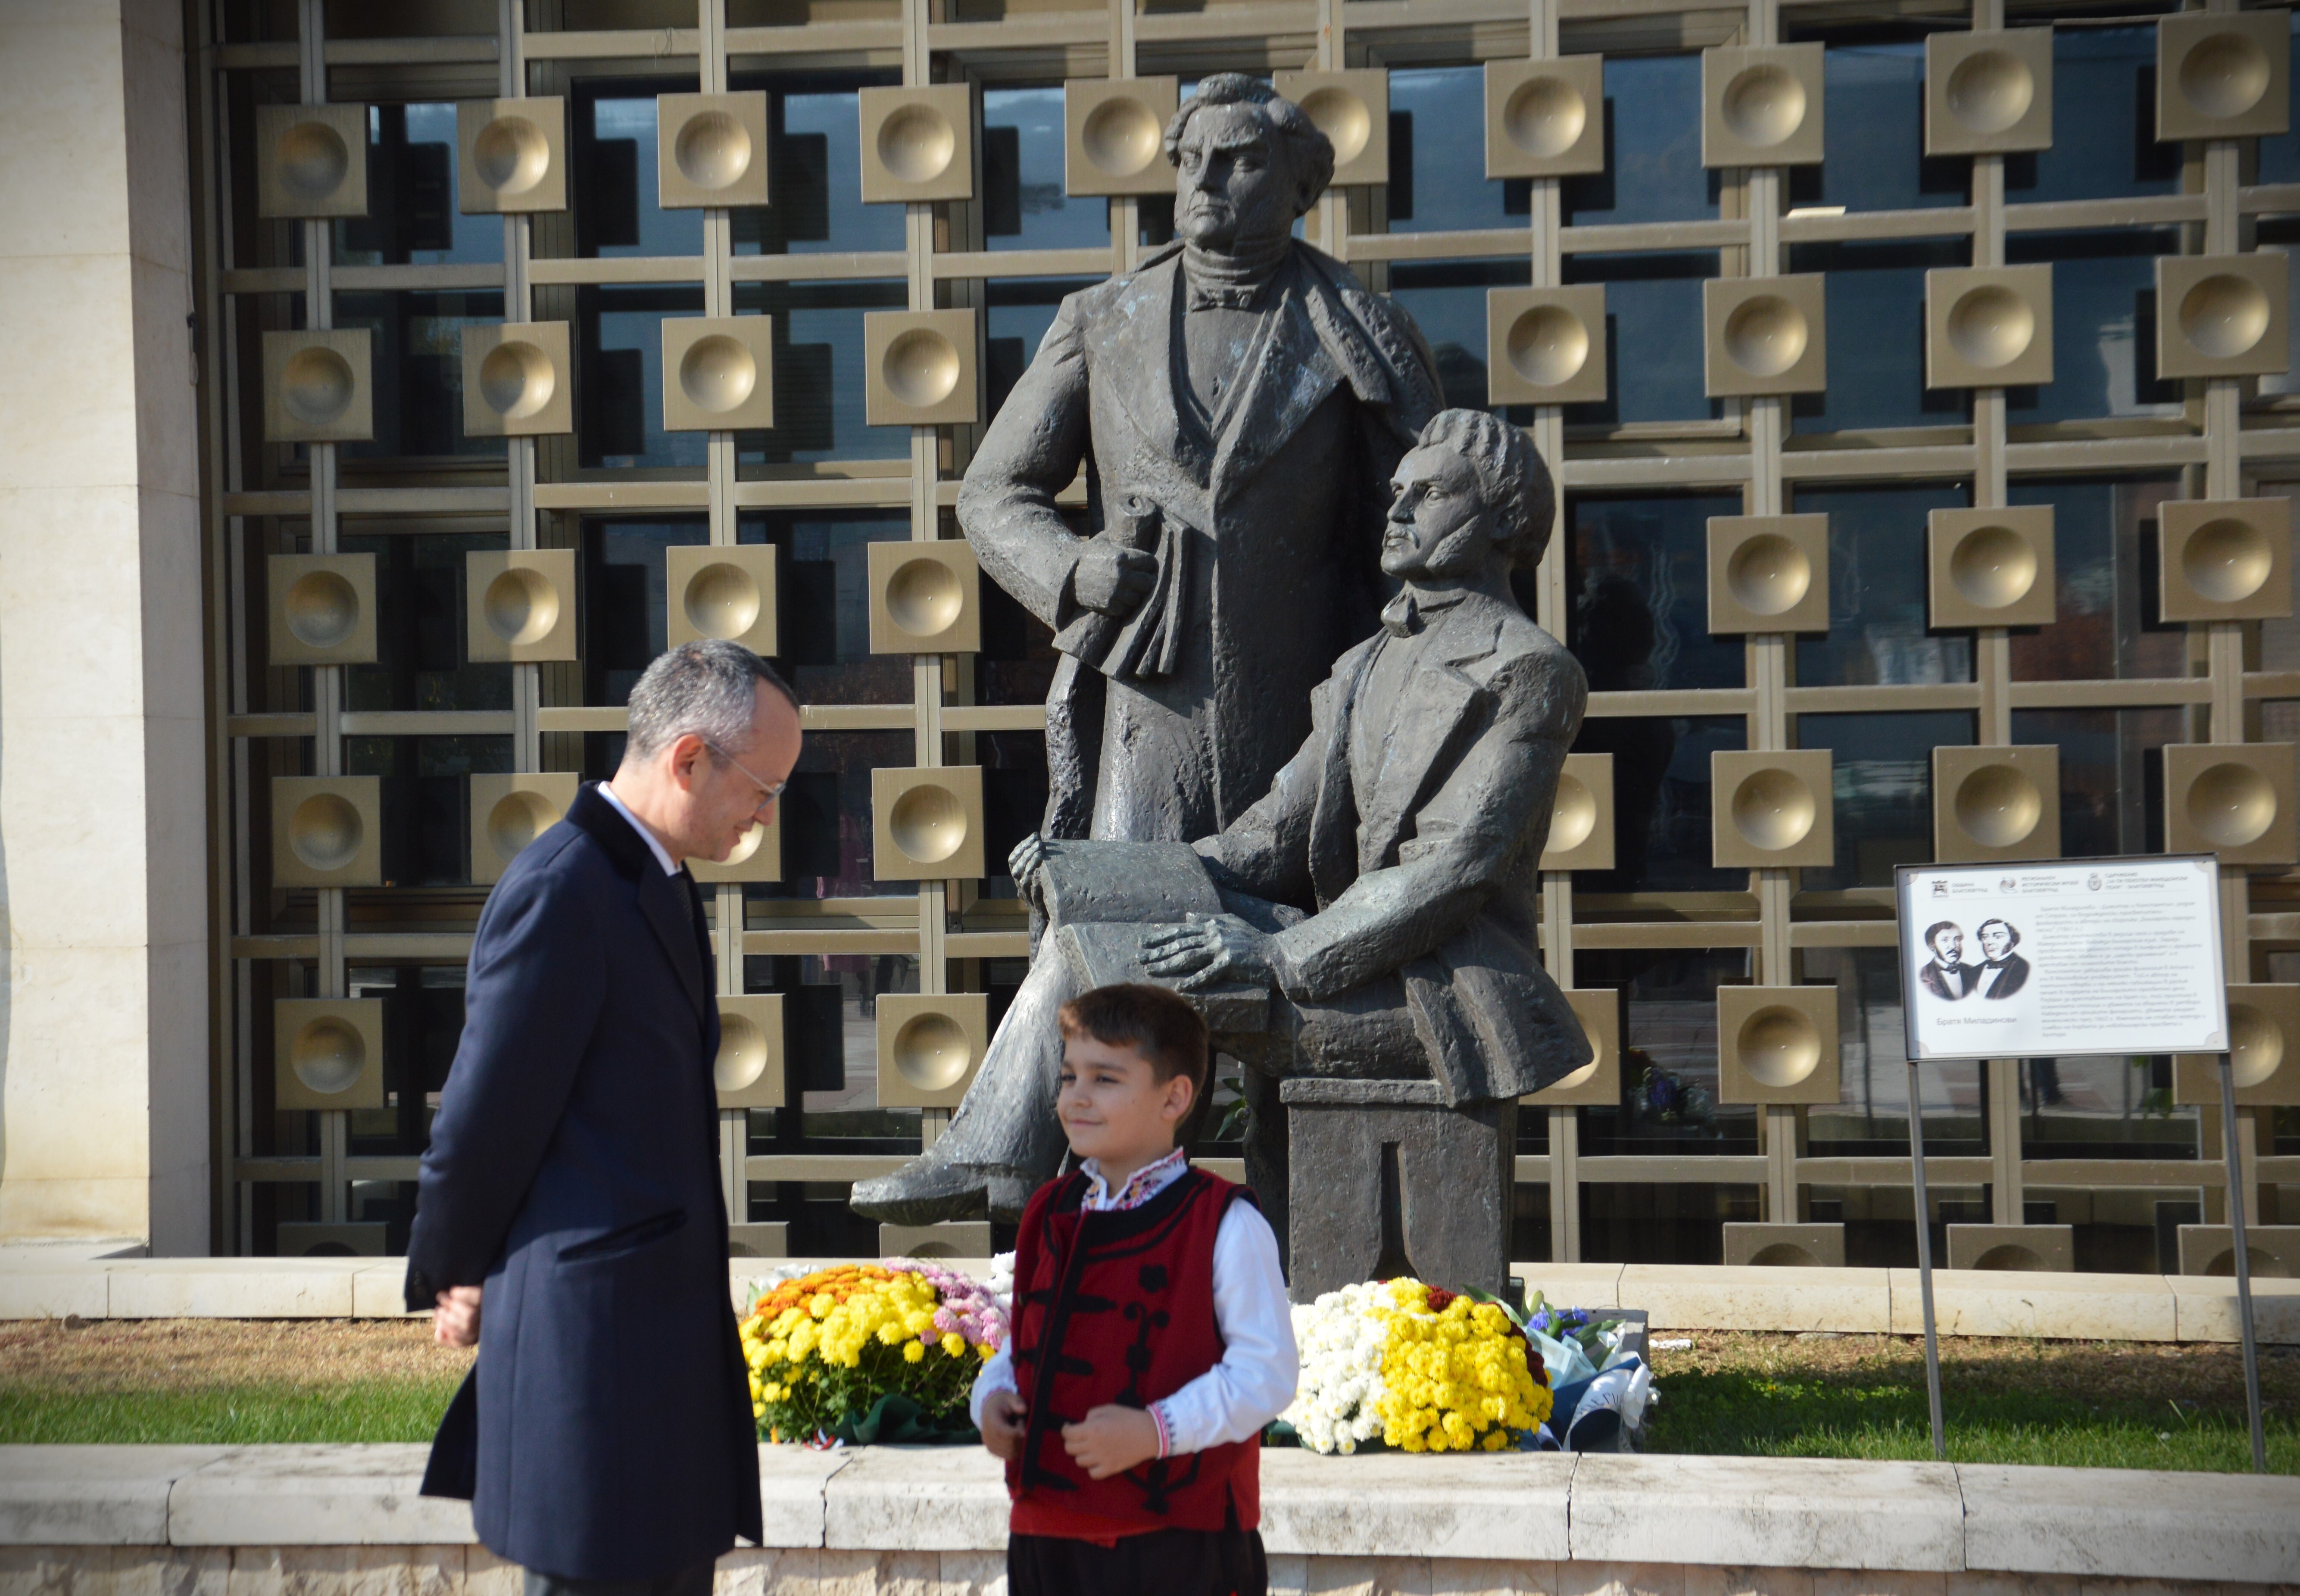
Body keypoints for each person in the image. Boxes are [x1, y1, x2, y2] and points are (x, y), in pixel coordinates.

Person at [855, 72, 1444, 1226]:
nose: (1205, 183)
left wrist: (1417, 700)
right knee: (1105, 938)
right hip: (1152, 712)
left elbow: (1434, 519)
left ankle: (1302, 1262)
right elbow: (994, 492)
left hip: (1313, 721)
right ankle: (1025, 1187)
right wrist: (1074, 571)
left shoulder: (1363, 330)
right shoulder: (1102, 321)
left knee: (1297, 985)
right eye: (1190, 161)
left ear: (1299, 181)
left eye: (1237, 161)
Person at [403, 640, 803, 1593]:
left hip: (651, 1355)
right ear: (688, 757)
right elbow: (486, 1114)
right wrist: (454, 1269)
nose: (766, 813)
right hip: (597, 1358)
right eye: (763, 786)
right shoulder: (566, 887)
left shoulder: (655, 878)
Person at [974, 983, 1296, 1596]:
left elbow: (1267, 1373)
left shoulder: (1225, 1221)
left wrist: (1157, 1430)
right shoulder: (1048, 1210)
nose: (1077, 1097)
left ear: (1175, 1096)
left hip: (1178, 1540)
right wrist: (990, 1400)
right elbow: (1023, 1341)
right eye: (1069, 1077)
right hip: (1045, 1532)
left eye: (1106, 1079)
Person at [1919, 921, 1978, 1001]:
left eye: (1957, 939)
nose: (1953, 946)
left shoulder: (1974, 971)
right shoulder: (1924, 975)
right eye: (1945, 940)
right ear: (1932, 945)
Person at [1974, 918, 2030, 999]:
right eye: (1985, 937)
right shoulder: (1974, 971)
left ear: (2012, 940)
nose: (1990, 942)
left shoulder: (2023, 968)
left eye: (1998, 937)